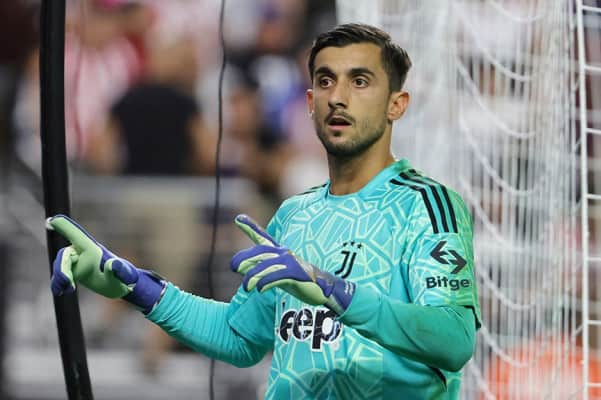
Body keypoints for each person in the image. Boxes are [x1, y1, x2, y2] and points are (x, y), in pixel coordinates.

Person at [48, 23, 481, 399]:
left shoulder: (427, 205)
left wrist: (334, 291)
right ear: (309, 102)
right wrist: (137, 288)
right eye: (326, 81)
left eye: (360, 81)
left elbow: (454, 339)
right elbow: (239, 336)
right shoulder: (294, 214)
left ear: (396, 104)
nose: (338, 97)